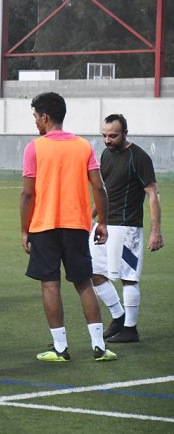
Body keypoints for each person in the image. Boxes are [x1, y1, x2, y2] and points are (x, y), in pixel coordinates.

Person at [20, 92, 117, 362]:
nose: (35, 122)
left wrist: (24, 229)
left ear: (45, 117)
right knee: (83, 282)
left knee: (50, 285)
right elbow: (99, 186)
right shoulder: (83, 146)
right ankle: (99, 346)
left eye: (36, 116)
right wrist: (103, 222)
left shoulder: (34, 147)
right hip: (77, 225)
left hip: (44, 226)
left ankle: (60, 348)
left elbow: (28, 194)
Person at [90, 114, 164, 343]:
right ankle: (119, 317)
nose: (107, 140)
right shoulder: (106, 154)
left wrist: (155, 231)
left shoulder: (139, 157)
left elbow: (152, 193)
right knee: (93, 272)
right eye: (104, 135)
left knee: (128, 278)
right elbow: (105, 190)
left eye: (113, 135)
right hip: (103, 225)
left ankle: (130, 329)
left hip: (127, 228)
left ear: (125, 133)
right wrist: (89, 218)